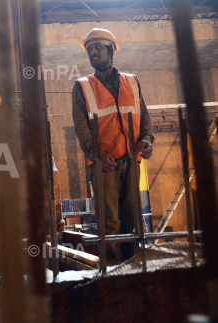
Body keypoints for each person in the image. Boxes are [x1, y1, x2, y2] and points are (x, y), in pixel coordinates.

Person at [72, 28, 154, 262]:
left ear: (111, 49)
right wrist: (96, 154)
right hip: (104, 164)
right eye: (89, 49)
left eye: (98, 46)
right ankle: (113, 272)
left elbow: (144, 116)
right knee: (109, 222)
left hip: (132, 159)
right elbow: (81, 127)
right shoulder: (82, 86)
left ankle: (133, 267)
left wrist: (147, 139)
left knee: (132, 220)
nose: (93, 52)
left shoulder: (132, 81)